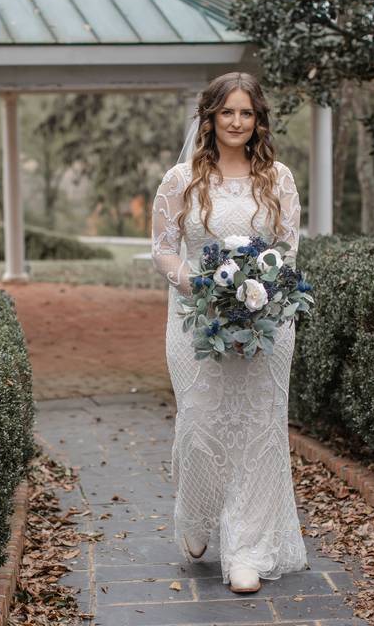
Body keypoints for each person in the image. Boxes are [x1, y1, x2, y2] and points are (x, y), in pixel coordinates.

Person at [150, 72, 308, 594]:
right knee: (200, 423)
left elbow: (286, 250)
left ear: (258, 119)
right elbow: (164, 248)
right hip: (194, 319)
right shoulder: (181, 179)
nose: (237, 122)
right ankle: (196, 510)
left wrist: (262, 290)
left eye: (246, 113)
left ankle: (247, 548)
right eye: (227, 113)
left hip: (266, 321)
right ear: (210, 118)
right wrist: (192, 281)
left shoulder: (278, 178)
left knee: (259, 430)